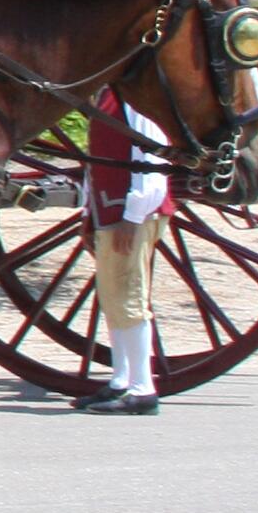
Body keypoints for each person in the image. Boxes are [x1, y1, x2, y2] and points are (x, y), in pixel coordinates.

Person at [79, 83, 171, 414]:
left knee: (128, 295)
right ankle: (121, 380)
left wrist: (133, 215)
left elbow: (152, 157)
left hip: (130, 215)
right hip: (112, 212)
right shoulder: (108, 95)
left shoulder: (136, 99)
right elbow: (96, 163)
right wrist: (88, 212)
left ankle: (142, 388)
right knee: (114, 295)